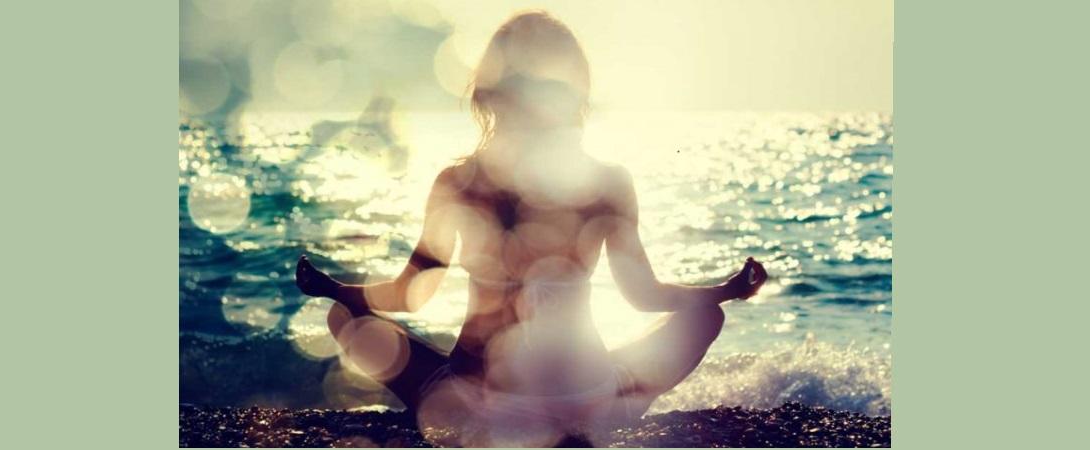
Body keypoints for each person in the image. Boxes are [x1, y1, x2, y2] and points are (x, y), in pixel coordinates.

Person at [294, 10, 767, 447]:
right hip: (588, 398)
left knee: (345, 320)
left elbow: (412, 295)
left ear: (493, 90)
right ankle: (605, 410)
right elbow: (642, 295)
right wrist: (725, 289)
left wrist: (337, 290)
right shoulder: (608, 181)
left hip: (477, 405)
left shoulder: (458, 182)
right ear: (573, 89)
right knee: (707, 316)